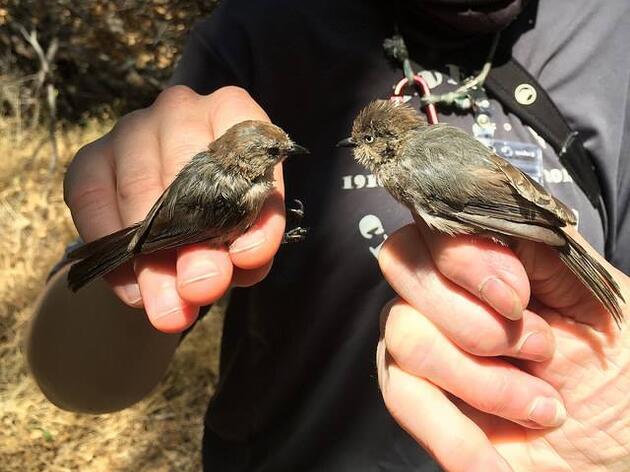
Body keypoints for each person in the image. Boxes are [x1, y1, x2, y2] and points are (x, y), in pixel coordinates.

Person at [29, 0, 630, 470]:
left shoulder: (611, 38)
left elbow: (504, 208)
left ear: (389, 147)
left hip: (550, 441)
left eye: (366, 147)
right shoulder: (266, 27)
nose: (357, 154)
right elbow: (77, 379)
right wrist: (142, 242)